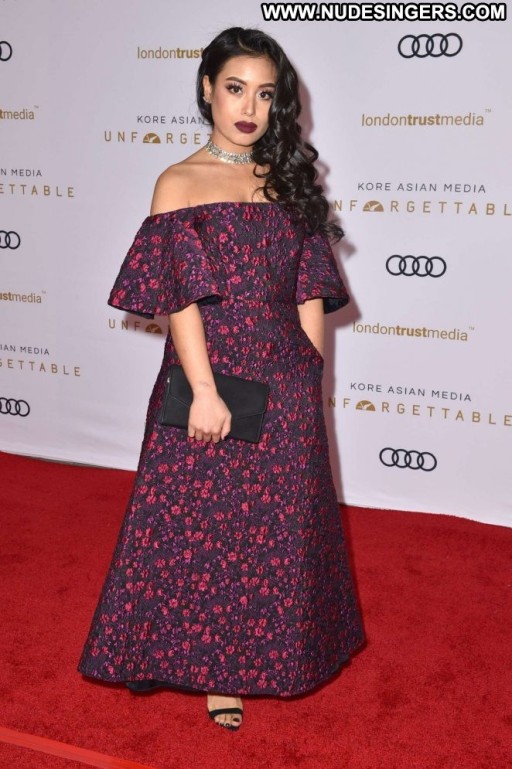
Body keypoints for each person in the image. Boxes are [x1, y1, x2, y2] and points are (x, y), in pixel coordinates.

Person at [78, 26, 364, 732]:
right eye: (236, 89)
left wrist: (309, 373)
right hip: (211, 373)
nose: (249, 108)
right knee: (200, 531)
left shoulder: (286, 179)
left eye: (265, 95)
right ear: (207, 89)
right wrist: (203, 390)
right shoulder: (178, 183)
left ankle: (280, 652)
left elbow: (308, 286)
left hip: (285, 376)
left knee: (277, 529)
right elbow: (178, 299)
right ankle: (215, 673)